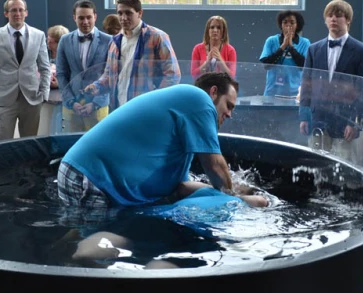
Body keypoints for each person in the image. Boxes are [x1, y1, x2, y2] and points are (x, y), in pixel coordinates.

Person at [59, 72, 267, 208]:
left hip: (87, 175)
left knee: (86, 242)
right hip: (88, 177)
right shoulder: (199, 99)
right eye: (229, 105)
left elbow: (183, 186)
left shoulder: (180, 129)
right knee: (89, 254)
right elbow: (215, 166)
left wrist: (244, 195)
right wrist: (236, 195)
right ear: (213, 92)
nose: (230, 114)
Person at [298, 0, 363, 159]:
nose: (333, 19)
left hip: (346, 123)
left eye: (338, 15)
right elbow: (306, 85)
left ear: (347, 20)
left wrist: (356, 123)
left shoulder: (362, 51)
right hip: (317, 120)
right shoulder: (313, 49)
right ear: (325, 20)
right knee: (317, 170)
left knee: (345, 172)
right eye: (330, 16)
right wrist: (304, 116)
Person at [86, 0, 180, 109]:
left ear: (140, 13)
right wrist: (96, 86)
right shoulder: (115, 41)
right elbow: (109, 75)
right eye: (120, 13)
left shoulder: (157, 37)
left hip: (146, 108)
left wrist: (156, 101)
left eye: (128, 13)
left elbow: (173, 74)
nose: (123, 18)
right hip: (119, 107)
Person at [0, 0, 51, 141]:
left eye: (21, 10)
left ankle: (28, 165)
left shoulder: (38, 35)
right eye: (13, 10)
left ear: (26, 13)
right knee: (2, 141)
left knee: (30, 142)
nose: (17, 14)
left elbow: (45, 67)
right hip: (4, 98)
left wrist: (44, 93)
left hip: (32, 98)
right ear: (6, 13)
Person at [56, 0, 112, 132]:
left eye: (89, 17)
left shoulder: (109, 40)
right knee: (71, 146)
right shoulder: (64, 40)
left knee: (98, 146)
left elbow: (111, 75)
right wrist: (70, 101)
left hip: (97, 105)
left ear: (95, 17)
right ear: (74, 18)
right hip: (72, 105)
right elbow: (61, 73)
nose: (85, 22)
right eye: (81, 18)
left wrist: (95, 103)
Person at [260, 10, 309, 97]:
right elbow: (267, 65)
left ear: (297, 25)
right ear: (281, 25)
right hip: (272, 93)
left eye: (292, 23)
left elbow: (304, 66)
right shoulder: (271, 41)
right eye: (285, 22)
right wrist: (282, 47)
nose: (288, 25)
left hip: (295, 94)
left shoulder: (305, 43)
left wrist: (291, 47)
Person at [38, 24, 69, 136]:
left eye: (51, 42)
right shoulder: (47, 57)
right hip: (48, 100)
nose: (48, 44)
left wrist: (59, 83)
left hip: (63, 102)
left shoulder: (68, 58)